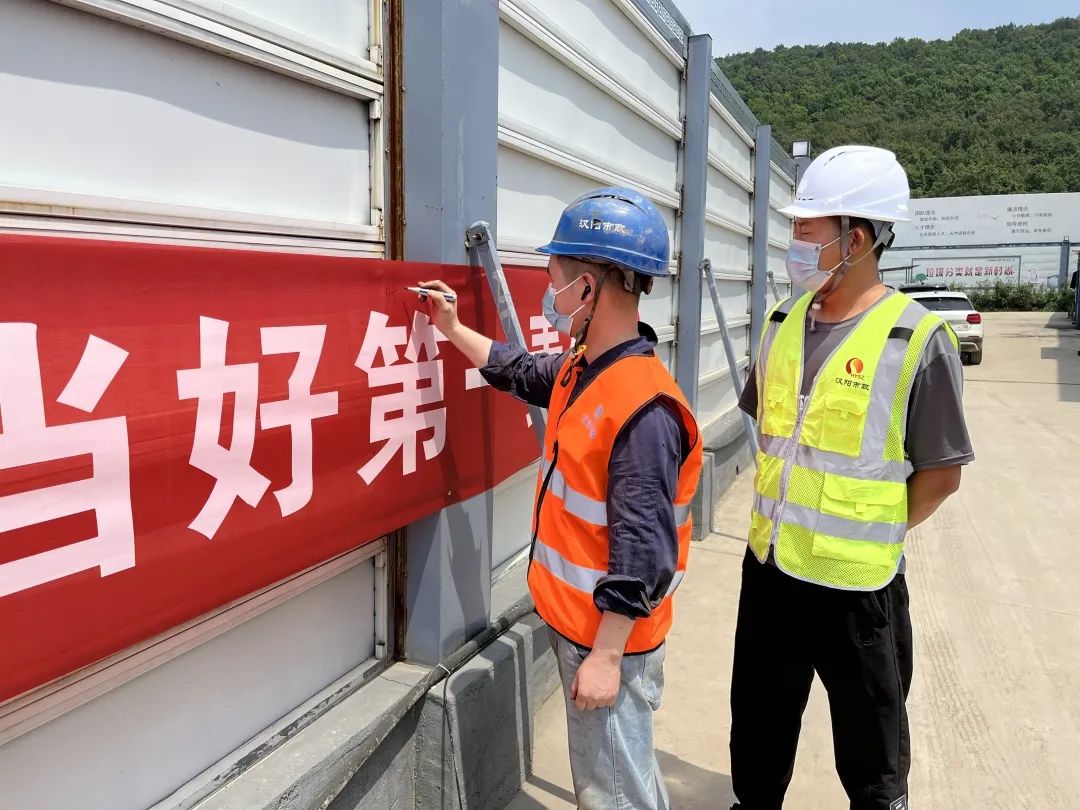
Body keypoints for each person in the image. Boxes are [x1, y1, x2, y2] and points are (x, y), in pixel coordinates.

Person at [419, 187, 703, 810]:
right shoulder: (585, 368)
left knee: (614, 794)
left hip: (607, 640)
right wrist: (453, 328)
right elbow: (520, 370)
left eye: (555, 281)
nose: (549, 296)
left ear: (589, 287)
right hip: (581, 626)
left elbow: (643, 552)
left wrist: (606, 657)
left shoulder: (643, 410)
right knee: (624, 776)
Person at [728, 146, 974, 810]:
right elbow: (772, 436)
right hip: (770, 573)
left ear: (855, 239)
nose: (794, 245)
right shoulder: (781, 325)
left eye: (805, 230)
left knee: (872, 757)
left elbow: (941, 475)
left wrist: (870, 529)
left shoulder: (916, 340)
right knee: (757, 737)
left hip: (857, 589)